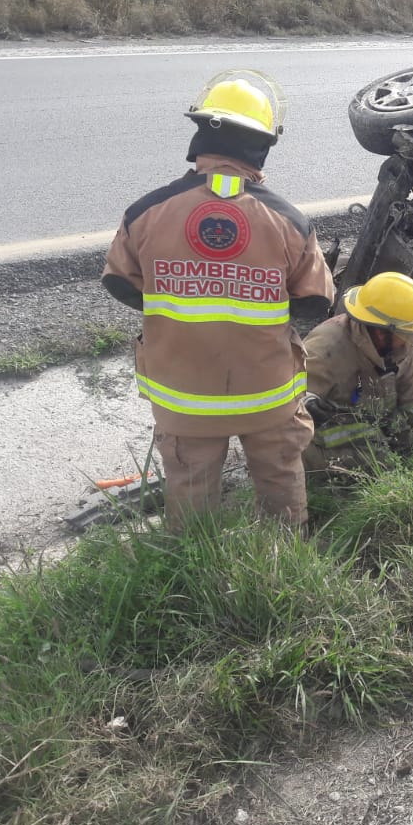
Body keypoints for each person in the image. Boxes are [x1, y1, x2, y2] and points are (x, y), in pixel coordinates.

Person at [101, 69, 335, 532]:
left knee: (189, 489)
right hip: (267, 397)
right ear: (263, 145)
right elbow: (315, 302)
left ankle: (197, 563)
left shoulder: (146, 212)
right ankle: (285, 557)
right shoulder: (288, 221)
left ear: (200, 136)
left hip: (184, 398)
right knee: (281, 480)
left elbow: (119, 283)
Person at [302, 271, 413, 475]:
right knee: (381, 462)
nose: (410, 341)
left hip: (369, 422)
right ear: (380, 332)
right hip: (320, 434)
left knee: (404, 437)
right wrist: (308, 403)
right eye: (406, 333)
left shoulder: (405, 349)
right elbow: (287, 410)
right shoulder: (327, 348)